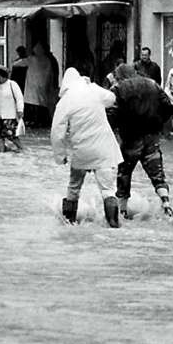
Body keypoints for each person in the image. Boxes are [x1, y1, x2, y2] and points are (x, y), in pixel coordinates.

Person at [51, 67, 123, 228]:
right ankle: (113, 224)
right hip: (104, 149)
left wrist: (60, 156)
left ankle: (69, 223)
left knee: (74, 188)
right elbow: (111, 99)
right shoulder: (93, 89)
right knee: (108, 190)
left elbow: (57, 132)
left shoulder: (65, 101)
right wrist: (93, 86)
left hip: (82, 151)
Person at [109, 63, 173, 218]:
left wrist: (114, 132)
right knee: (157, 173)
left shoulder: (118, 89)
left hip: (130, 137)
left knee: (124, 173)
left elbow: (111, 113)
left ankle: (122, 211)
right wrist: (159, 123)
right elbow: (169, 106)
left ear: (119, 75)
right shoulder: (152, 84)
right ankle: (166, 203)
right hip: (152, 135)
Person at [13, 42, 56, 128]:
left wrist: (15, 62)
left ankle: (32, 120)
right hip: (43, 84)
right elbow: (51, 73)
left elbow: (17, 64)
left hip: (32, 85)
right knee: (42, 101)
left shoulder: (32, 59)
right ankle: (43, 120)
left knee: (31, 102)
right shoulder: (47, 60)